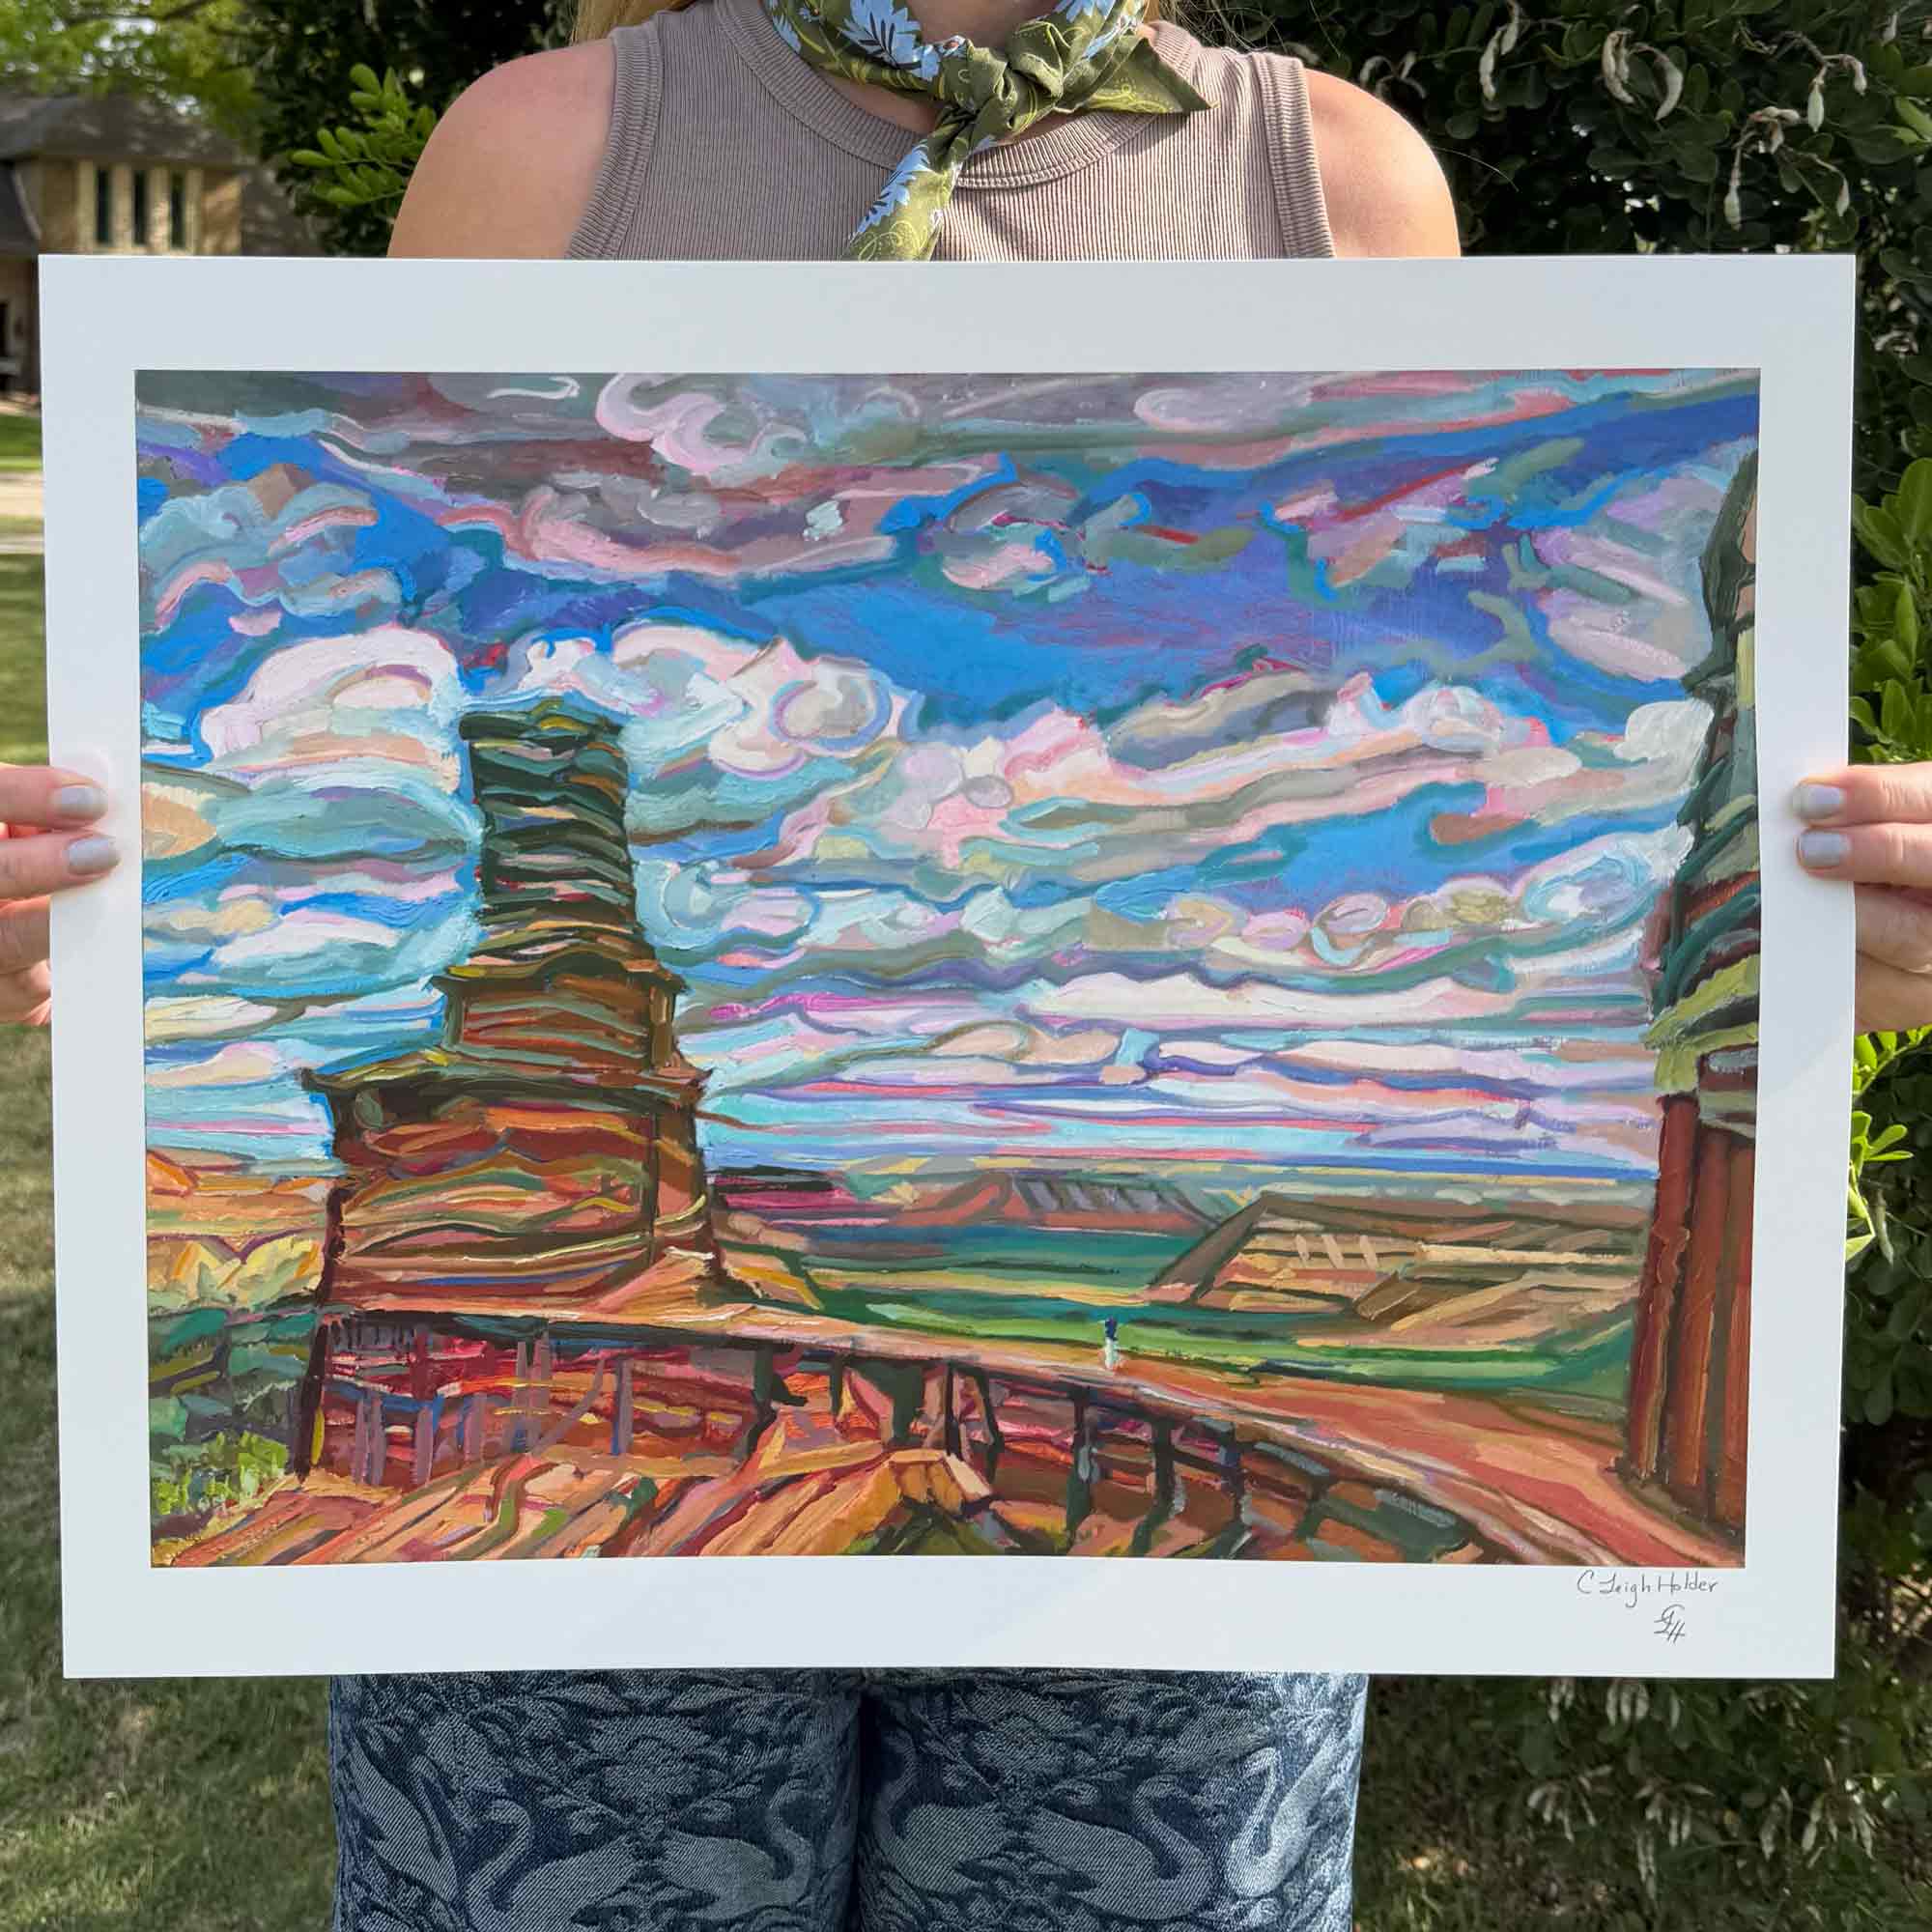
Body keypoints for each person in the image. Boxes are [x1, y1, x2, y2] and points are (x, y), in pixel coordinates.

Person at [7, 0, 1931, 1924]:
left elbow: (1607, 861)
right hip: (557, 1628)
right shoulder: (540, 153)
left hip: (1162, 1659)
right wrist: (78, 915)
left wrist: (1804, 912)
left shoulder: (1338, 183)